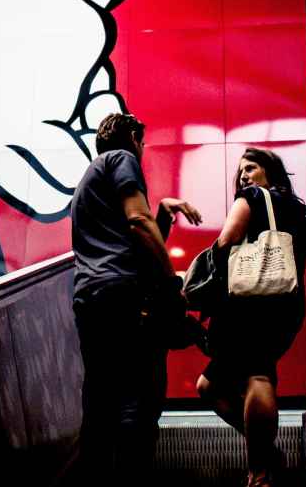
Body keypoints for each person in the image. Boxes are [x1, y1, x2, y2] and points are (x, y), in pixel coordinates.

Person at [195, 147, 306, 487]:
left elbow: (226, 241)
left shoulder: (248, 198)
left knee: (257, 376)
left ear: (270, 173)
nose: (244, 175)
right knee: (210, 385)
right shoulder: (291, 210)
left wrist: (206, 280)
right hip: (284, 306)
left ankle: (259, 473)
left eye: (251, 167)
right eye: (241, 171)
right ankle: (266, 454)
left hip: (246, 305)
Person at [71, 112, 202, 480]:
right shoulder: (121, 159)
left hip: (91, 298)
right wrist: (171, 287)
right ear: (132, 138)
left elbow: (125, 237)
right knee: (139, 401)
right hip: (123, 297)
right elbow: (136, 223)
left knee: (99, 402)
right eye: (142, 143)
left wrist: (161, 215)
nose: (142, 150)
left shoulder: (90, 179)